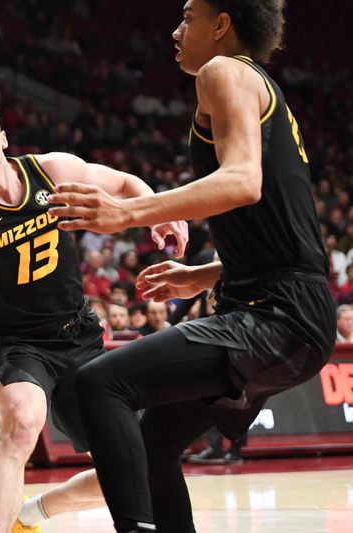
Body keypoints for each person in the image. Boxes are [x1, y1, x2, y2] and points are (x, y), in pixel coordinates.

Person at [46, 2, 336, 531]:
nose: (175, 31)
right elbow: (284, 221)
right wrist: (210, 273)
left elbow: (243, 181)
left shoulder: (223, 71)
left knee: (99, 385)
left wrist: (125, 212)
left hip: (274, 314)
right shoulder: (261, 87)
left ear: (222, 24)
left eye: (188, 17)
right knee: (154, 448)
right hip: (287, 304)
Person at [0, 91, 187, 533]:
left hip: (81, 335)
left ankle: (34, 513)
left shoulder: (52, 170)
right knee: (22, 425)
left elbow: (124, 185)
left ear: (3, 136)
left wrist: (155, 212)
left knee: (133, 463)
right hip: (20, 345)